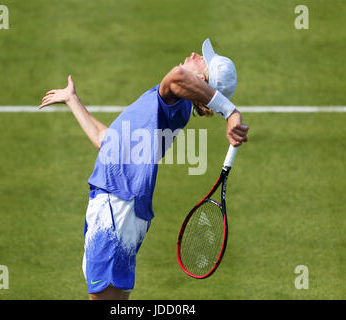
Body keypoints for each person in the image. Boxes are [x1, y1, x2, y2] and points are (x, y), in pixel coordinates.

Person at [38, 39, 249, 300]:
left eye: (202, 59)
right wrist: (73, 100)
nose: (194, 54)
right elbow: (106, 141)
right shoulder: (168, 105)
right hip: (116, 202)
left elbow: (177, 76)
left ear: (202, 80)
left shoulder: (173, 101)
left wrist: (230, 112)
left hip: (118, 204)